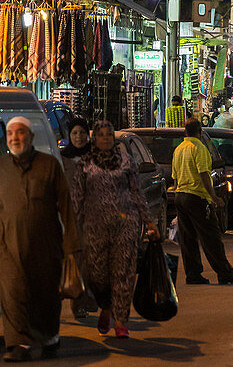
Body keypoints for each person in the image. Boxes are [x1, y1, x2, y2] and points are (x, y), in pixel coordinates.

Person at [0, 116, 80, 362]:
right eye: (11, 133)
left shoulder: (49, 165)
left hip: (46, 245)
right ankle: (18, 343)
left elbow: (65, 204)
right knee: (12, 293)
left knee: (44, 293)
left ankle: (49, 338)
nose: (15, 138)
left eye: (21, 133)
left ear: (31, 137)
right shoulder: (1, 167)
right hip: (8, 246)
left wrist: (72, 245)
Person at [71, 120, 159, 339]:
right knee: (98, 274)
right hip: (95, 228)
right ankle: (107, 307)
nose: (105, 139)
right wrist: (74, 228)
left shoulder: (126, 161)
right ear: (94, 139)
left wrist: (149, 221)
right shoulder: (85, 163)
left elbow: (137, 192)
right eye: (100, 135)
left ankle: (121, 321)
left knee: (124, 274)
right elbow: (77, 198)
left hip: (125, 225)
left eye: (108, 135)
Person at [172, 118, 233, 285]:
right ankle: (225, 274)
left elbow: (175, 178)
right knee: (211, 237)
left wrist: (178, 193)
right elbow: (204, 174)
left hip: (180, 196)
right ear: (199, 132)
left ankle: (193, 274)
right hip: (196, 197)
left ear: (185, 131)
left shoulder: (179, 149)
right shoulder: (199, 148)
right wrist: (214, 197)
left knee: (188, 239)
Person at [59, 118, 94, 321]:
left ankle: (89, 298)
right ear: (69, 136)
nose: (79, 137)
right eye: (74, 133)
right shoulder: (63, 159)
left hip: (95, 216)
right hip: (71, 217)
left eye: (82, 133)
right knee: (78, 260)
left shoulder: (95, 157)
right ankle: (78, 301)